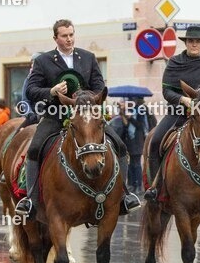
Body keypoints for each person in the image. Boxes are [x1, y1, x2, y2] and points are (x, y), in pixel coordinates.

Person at [15, 19, 140, 217]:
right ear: (56, 38)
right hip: (55, 115)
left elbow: (99, 85)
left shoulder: (88, 57)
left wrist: (86, 97)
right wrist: (52, 91)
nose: (69, 39)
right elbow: (31, 90)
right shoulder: (43, 61)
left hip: (88, 116)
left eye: (71, 35)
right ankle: (30, 199)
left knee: (120, 146)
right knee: (35, 149)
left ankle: (123, 195)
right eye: (64, 36)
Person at [144, 25, 200, 202]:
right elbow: (167, 91)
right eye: (191, 41)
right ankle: (155, 187)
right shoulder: (175, 63)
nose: (194, 44)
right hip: (178, 113)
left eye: (198, 41)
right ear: (186, 43)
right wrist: (184, 100)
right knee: (156, 141)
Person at [116, 100, 147, 192]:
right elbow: (126, 126)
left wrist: (131, 118)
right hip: (128, 142)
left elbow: (140, 126)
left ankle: (139, 185)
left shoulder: (140, 111)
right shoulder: (126, 112)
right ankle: (132, 184)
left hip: (137, 142)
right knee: (130, 165)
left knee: (136, 164)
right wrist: (123, 115)